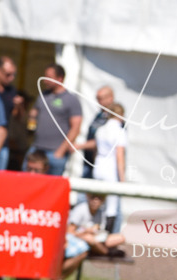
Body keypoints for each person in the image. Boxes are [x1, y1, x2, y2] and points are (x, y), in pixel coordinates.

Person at [20, 150, 89, 280]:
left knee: (80, 249)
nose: (32, 174)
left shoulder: (53, 188)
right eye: (29, 169)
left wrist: (62, 237)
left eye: (36, 170)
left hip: (48, 237)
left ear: (45, 169)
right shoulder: (19, 186)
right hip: (26, 238)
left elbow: (60, 215)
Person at [27, 63, 83, 175]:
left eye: (49, 77)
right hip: (37, 149)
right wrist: (32, 117)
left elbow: (76, 128)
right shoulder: (43, 95)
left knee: (52, 187)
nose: (45, 80)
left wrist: (61, 151)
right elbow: (33, 115)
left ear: (60, 78)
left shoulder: (71, 100)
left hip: (55, 152)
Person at [80, 102, 127, 230]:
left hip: (98, 167)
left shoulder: (100, 130)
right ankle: (107, 237)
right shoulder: (119, 131)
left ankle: (92, 229)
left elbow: (96, 152)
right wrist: (122, 179)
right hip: (110, 170)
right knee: (111, 206)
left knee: (96, 201)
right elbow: (119, 157)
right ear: (120, 115)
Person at [82, 85, 115, 178]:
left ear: (110, 98)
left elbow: (104, 141)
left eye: (101, 98)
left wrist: (79, 146)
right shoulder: (100, 115)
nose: (99, 102)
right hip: (89, 161)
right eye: (97, 98)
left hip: (104, 166)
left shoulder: (114, 118)